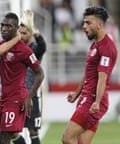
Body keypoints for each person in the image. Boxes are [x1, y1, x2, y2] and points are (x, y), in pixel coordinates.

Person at [0, 5, 46, 144]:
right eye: (2, 25)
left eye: (8, 26)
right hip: (3, 99)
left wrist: (30, 96)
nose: (4, 28)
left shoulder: (25, 51)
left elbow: (40, 73)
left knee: (6, 138)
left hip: (17, 99)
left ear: (16, 29)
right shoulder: (1, 45)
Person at [62, 6, 118, 144]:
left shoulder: (106, 47)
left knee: (67, 138)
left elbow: (102, 77)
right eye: (84, 22)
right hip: (88, 98)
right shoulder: (96, 44)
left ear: (99, 25)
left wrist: (97, 102)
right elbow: (89, 73)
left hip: (92, 101)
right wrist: (77, 93)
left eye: (88, 23)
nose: (84, 26)